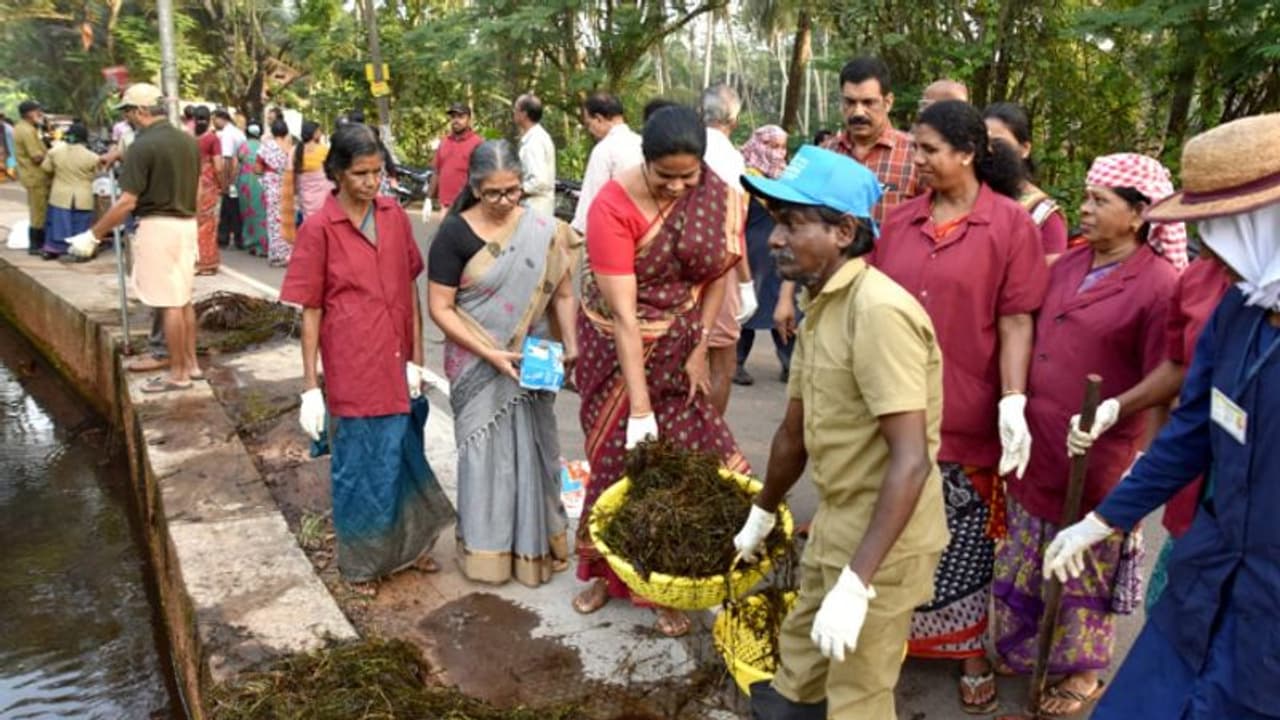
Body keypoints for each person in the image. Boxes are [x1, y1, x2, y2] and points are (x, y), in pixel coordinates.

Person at [1044, 112, 1280, 720]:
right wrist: (1102, 519)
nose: (1210, 246)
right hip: (1209, 578)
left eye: (1221, 227)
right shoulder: (1241, 309)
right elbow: (1193, 429)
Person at [733, 145, 948, 719]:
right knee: (800, 656)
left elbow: (911, 461)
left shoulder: (877, 313)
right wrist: (762, 510)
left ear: (843, 231)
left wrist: (857, 584)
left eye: (792, 223)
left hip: (885, 541)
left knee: (859, 690)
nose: (775, 238)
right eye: (776, 222)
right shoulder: (819, 302)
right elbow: (792, 431)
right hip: (837, 520)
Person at [871, 99, 1049, 713]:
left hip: (968, 409)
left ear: (968, 153)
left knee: (965, 537)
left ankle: (971, 650)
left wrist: (1013, 399)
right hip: (894, 408)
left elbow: (1017, 319)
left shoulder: (1009, 226)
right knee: (893, 534)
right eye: (914, 148)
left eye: (927, 149)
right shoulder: (898, 223)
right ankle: (887, 642)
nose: (914, 160)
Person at [991, 153, 1181, 717]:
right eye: (1087, 198)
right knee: (1030, 545)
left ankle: (1084, 669)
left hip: (1099, 452)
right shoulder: (1069, 264)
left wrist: (1126, 431)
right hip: (1042, 440)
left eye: (1101, 202)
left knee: (1085, 561)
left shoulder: (1159, 284)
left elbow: (1169, 374)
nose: (1086, 210)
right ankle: (1031, 646)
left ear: (1139, 215)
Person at [571, 106, 747, 638]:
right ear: (643, 162)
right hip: (615, 348)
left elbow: (717, 272)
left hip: (680, 343)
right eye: (663, 176)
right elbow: (624, 315)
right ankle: (604, 572)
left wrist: (698, 345)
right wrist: (640, 408)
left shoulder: (716, 195)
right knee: (614, 464)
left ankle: (665, 585)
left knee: (680, 468)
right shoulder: (612, 207)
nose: (675, 187)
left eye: (686, 177)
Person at [280, 122, 454, 595]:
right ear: (337, 172)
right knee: (360, 469)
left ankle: (411, 547)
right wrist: (310, 387)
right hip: (353, 367)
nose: (371, 182)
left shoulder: (394, 216)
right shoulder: (320, 229)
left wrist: (417, 359)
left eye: (377, 172)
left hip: (398, 363)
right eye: (360, 173)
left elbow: (409, 291)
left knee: (404, 456)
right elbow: (311, 311)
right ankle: (361, 564)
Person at [426, 140, 581, 586]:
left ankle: (536, 550)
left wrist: (570, 344)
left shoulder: (544, 229)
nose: (505, 202)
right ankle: (487, 554)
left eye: (513, 191)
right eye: (493, 193)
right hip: (476, 361)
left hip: (532, 359)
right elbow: (441, 307)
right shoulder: (454, 234)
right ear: (474, 188)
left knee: (536, 450)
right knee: (484, 456)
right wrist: (490, 353)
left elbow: (564, 293)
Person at [67, 83, 201, 393]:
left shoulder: (143, 146)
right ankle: (191, 364)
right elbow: (197, 189)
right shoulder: (187, 141)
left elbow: (127, 201)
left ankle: (178, 374)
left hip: (158, 225)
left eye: (128, 111)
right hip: (186, 223)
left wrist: (93, 234)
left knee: (169, 303)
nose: (127, 118)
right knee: (183, 300)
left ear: (141, 111)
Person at [700, 83, 756, 414]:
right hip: (720, 265)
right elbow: (733, 228)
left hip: (677, 263)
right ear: (734, 122)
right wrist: (746, 282)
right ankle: (707, 441)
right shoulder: (731, 158)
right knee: (722, 360)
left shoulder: (687, 146)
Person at [821, 57, 919, 222]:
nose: (858, 112)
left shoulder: (916, 154)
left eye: (868, 102)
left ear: (888, 102)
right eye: (850, 102)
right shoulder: (824, 155)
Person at [734, 124, 792, 386]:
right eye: (772, 146)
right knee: (747, 310)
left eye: (782, 147)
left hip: (781, 254)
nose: (778, 153)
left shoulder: (786, 176)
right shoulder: (745, 177)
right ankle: (735, 363)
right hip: (752, 254)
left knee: (785, 307)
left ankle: (789, 364)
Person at [982, 102, 1069, 261]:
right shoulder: (967, 199)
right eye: (984, 143)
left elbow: (1052, 278)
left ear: (1025, 149)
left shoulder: (1042, 214)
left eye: (998, 142)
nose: (989, 150)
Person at [571, 92, 643, 235]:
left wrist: (574, 233)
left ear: (598, 119)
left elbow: (591, 200)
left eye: (589, 124)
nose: (590, 131)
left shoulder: (604, 150)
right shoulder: (643, 143)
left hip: (614, 231)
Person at [39, 121, 101, 260]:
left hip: (59, 195)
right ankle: (79, 252)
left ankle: (52, 250)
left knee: (56, 223)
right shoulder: (92, 157)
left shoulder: (54, 152)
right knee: (80, 224)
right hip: (83, 196)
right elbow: (97, 173)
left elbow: (46, 168)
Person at [428, 103, 483, 214]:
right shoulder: (444, 142)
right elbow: (437, 172)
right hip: (445, 205)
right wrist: (428, 198)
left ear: (469, 119)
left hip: (468, 205)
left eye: (460, 117)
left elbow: (482, 175)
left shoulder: (477, 143)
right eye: (453, 117)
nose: (456, 120)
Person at [14, 99, 51, 256]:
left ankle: (39, 243)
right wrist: (53, 156)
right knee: (39, 211)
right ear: (29, 113)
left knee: (38, 209)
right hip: (36, 176)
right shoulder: (27, 131)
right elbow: (36, 156)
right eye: (37, 111)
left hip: (31, 175)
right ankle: (36, 245)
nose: (40, 114)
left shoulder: (23, 127)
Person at [257, 119, 297, 267]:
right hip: (287, 184)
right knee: (287, 218)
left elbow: (258, 166)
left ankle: (276, 255)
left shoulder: (267, 146)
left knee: (274, 220)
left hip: (272, 184)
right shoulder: (291, 148)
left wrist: (262, 179)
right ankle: (288, 253)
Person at [513, 94, 556, 218]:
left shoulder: (534, 142)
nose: (514, 113)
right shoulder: (536, 137)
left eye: (516, 109)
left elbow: (539, 181)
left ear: (524, 114)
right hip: (535, 208)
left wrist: (515, 192)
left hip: (535, 209)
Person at [213, 108, 247, 249]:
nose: (213, 122)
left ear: (222, 119)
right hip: (240, 175)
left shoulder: (227, 134)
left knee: (231, 207)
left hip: (232, 176)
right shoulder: (237, 132)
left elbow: (227, 160)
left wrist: (225, 183)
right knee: (230, 208)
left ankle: (229, 237)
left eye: (214, 119)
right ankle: (227, 237)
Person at [193, 107, 222, 274]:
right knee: (208, 224)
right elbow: (218, 166)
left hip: (192, 182)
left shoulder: (190, 138)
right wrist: (221, 183)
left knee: (195, 222)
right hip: (208, 184)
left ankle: (195, 261)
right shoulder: (212, 139)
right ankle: (207, 263)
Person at [236, 122, 267, 256]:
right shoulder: (263, 147)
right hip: (261, 182)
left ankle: (249, 242)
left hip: (245, 183)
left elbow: (237, 162)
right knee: (260, 212)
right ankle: (262, 244)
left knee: (247, 211)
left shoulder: (243, 146)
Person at [294, 121, 332, 222]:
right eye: (319, 131)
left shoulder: (296, 150)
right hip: (321, 196)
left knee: (309, 221)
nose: (320, 133)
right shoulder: (323, 150)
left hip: (305, 195)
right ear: (314, 133)